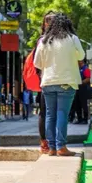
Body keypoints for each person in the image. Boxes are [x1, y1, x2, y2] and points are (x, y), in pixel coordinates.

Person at [34, 13, 85, 156]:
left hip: (48, 82)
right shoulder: (73, 39)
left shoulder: (44, 40)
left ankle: (51, 148)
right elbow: (81, 56)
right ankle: (61, 146)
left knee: (50, 114)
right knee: (62, 113)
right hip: (67, 82)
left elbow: (37, 63)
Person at [35, 11, 56, 153]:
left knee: (52, 113)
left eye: (52, 21)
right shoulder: (42, 40)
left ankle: (53, 143)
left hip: (49, 80)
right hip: (45, 81)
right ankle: (45, 142)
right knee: (45, 112)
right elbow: (36, 64)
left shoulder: (61, 39)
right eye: (47, 21)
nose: (49, 23)